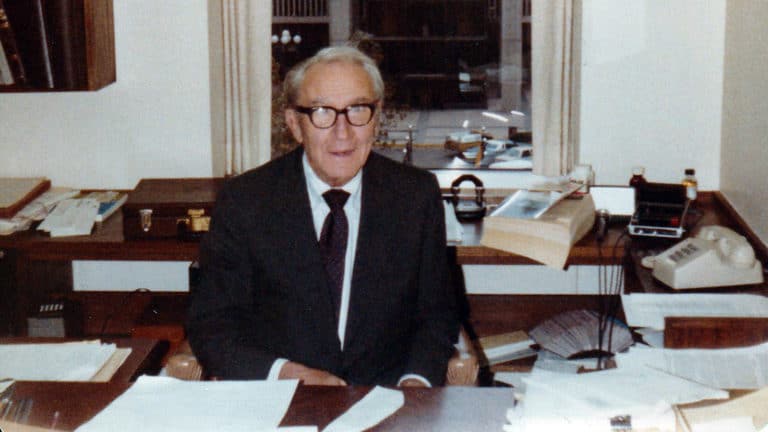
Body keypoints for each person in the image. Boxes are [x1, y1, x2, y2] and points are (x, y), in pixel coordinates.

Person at [187, 46, 459, 387]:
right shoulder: (246, 202)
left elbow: (436, 316)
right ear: (295, 125)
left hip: (386, 401)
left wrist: (415, 383)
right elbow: (212, 325)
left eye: (357, 109)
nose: (342, 132)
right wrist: (288, 375)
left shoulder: (416, 197)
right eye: (321, 112)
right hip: (282, 402)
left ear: (376, 119)